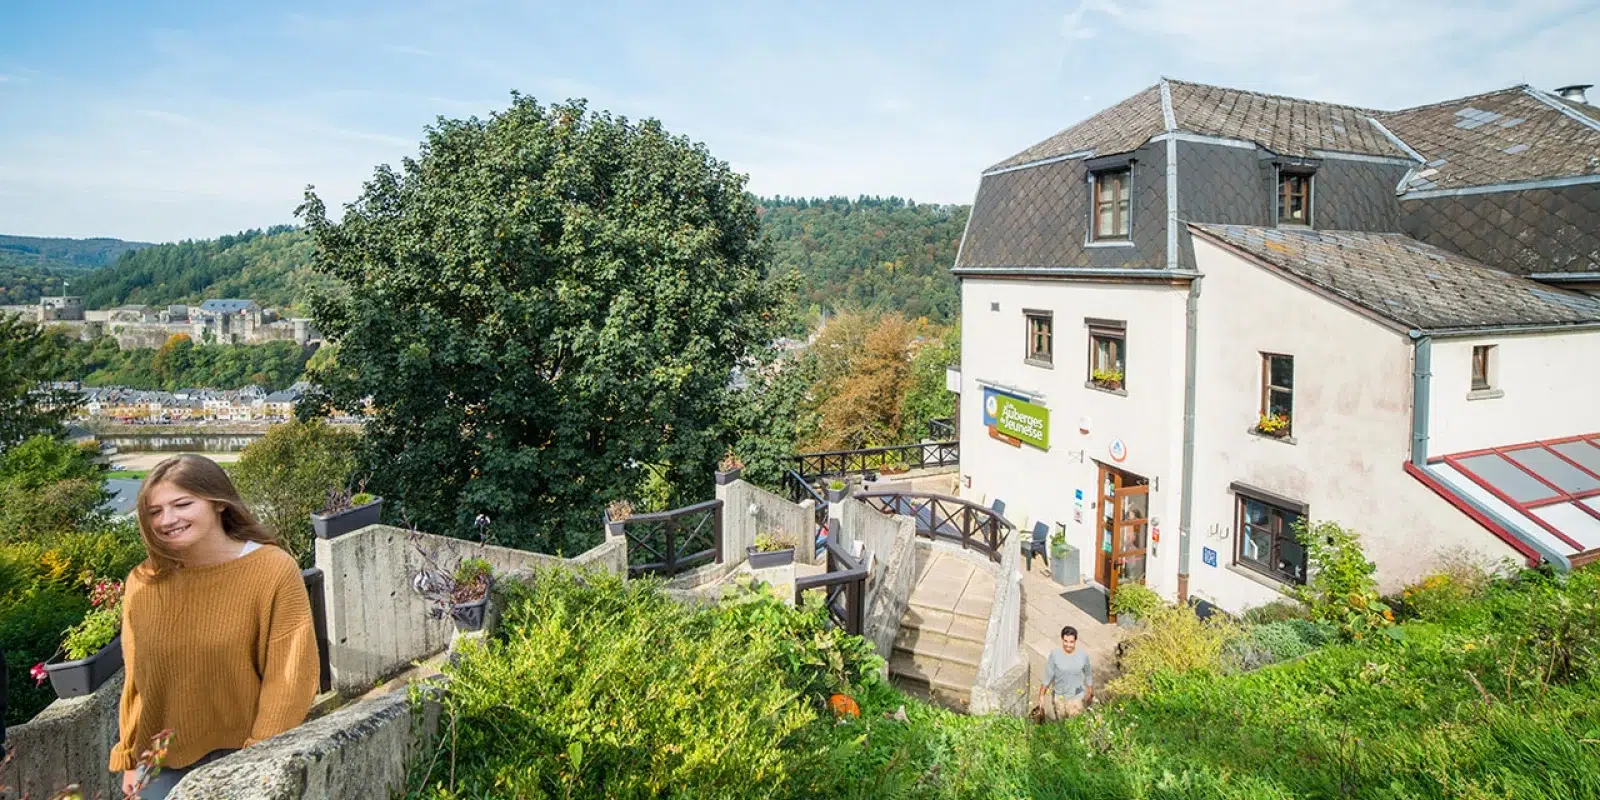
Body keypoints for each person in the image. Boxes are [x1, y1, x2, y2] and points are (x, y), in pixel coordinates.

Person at [109, 455, 320, 798]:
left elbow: (289, 676)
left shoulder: (272, 570)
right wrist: (131, 758)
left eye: (182, 504)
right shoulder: (143, 581)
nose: (168, 520)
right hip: (157, 763)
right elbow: (137, 681)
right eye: (155, 511)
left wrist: (259, 758)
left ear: (219, 503)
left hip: (241, 754)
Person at [1037, 625, 1093, 721]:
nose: (1068, 645)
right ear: (1062, 639)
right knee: (1062, 727)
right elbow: (1048, 675)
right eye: (1065, 641)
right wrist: (1041, 695)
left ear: (1075, 641)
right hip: (1060, 698)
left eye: (1071, 642)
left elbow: (1088, 674)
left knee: (1076, 726)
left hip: (1077, 698)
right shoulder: (1055, 655)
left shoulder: (1083, 656)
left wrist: (1090, 691)